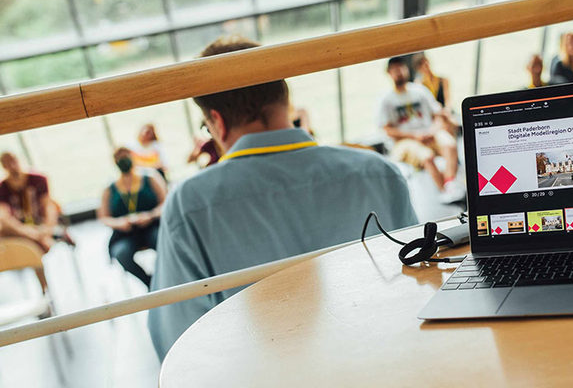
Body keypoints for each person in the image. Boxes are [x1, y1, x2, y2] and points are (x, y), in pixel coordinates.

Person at [148, 36, 418, 359]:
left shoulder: (190, 205)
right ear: (285, 100)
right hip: (382, 361)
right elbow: (418, 285)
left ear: (217, 122)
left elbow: (177, 342)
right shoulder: (378, 173)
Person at [379, 56, 464, 204]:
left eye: (401, 68)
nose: (399, 72)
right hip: (406, 140)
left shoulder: (420, 91)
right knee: (427, 156)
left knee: (449, 144)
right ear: (389, 73)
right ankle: (444, 192)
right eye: (395, 69)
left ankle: (449, 183)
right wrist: (414, 135)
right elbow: (387, 130)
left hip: (429, 132)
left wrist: (432, 130)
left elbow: (437, 114)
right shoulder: (386, 99)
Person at [97, 147, 166, 288]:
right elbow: (103, 217)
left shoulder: (150, 177)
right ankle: (150, 283)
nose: (123, 160)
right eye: (119, 158)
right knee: (121, 253)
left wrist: (150, 215)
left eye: (126, 156)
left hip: (151, 226)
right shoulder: (110, 188)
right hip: (126, 233)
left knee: (162, 242)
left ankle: (163, 277)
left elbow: (165, 202)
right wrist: (120, 223)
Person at [0, 152, 70, 252]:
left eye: (13, 161)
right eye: (7, 163)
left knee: (52, 212)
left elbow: (48, 206)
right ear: (4, 166)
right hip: (21, 228)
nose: (12, 166)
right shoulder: (2, 187)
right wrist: (28, 232)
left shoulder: (39, 179)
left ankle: (41, 242)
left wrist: (46, 229)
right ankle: (40, 243)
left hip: (42, 223)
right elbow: (4, 216)